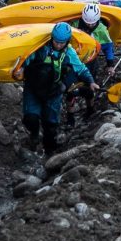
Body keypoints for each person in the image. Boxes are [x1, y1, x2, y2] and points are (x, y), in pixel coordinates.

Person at [14, 22, 99, 155]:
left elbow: (80, 68)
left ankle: (49, 151)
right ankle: (34, 134)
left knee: (51, 125)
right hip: (33, 88)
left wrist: (91, 81)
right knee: (30, 118)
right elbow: (27, 59)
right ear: (52, 38)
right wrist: (22, 69)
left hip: (53, 91)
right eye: (56, 41)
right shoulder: (40, 47)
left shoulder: (69, 52)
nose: (58, 45)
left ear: (67, 41)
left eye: (62, 42)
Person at [66, 3, 117, 124]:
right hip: (75, 62)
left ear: (97, 20)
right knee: (71, 90)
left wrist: (110, 64)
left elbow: (108, 48)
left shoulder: (101, 30)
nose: (89, 25)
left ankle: (90, 110)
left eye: (92, 23)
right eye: (87, 22)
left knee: (89, 89)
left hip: (91, 63)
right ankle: (70, 116)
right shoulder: (75, 24)